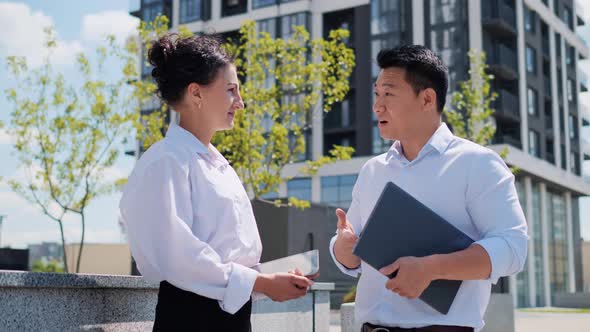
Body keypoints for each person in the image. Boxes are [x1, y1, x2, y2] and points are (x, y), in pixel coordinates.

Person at [119, 33, 313, 332]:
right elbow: (178, 257)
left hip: (230, 315)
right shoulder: (165, 162)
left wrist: (271, 281)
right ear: (196, 93)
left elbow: (228, 254)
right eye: (232, 90)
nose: (241, 103)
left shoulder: (216, 164)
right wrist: (261, 282)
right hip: (190, 318)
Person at [330, 45, 528, 332]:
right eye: (376, 94)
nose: (377, 106)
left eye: (388, 93)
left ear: (426, 99)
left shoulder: (478, 163)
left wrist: (432, 268)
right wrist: (344, 249)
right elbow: (351, 256)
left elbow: (512, 248)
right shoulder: (373, 171)